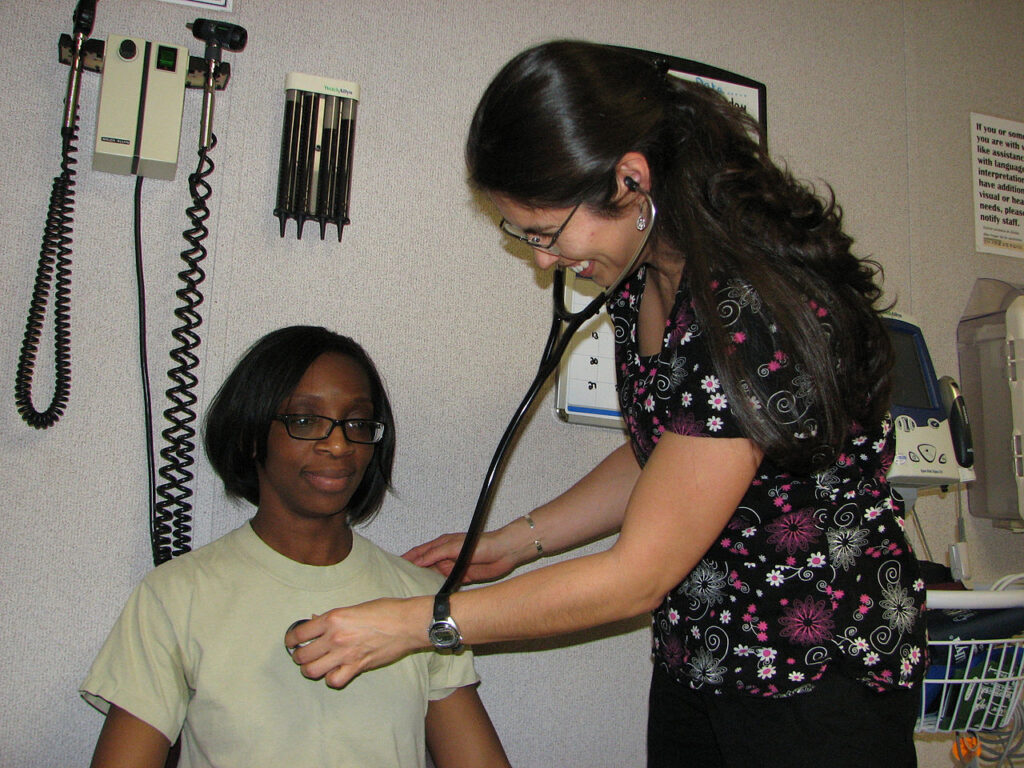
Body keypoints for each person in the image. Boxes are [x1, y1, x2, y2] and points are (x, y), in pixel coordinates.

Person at [285, 41, 928, 768]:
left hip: (813, 671)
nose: (542, 262)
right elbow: (667, 454)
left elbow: (635, 576)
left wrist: (417, 624)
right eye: (522, 236)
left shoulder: (746, 311)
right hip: (704, 651)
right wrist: (516, 542)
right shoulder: (642, 280)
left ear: (631, 179)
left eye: (546, 232)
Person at [81, 325, 511, 768]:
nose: (340, 444)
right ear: (251, 435)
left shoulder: (420, 601)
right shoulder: (176, 596)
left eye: (358, 423)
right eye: (305, 421)